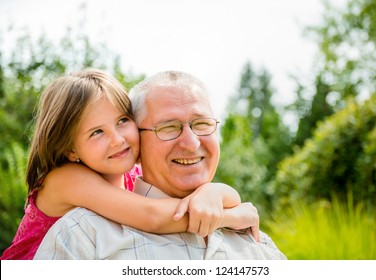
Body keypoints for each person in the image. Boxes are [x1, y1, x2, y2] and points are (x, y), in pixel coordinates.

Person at [0, 69, 259, 260]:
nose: (118, 139)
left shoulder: (132, 175)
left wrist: (212, 192)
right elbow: (153, 216)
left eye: (122, 121)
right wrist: (227, 216)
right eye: (96, 133)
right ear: (70, 149)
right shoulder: (65, 180)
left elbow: (211, 195)